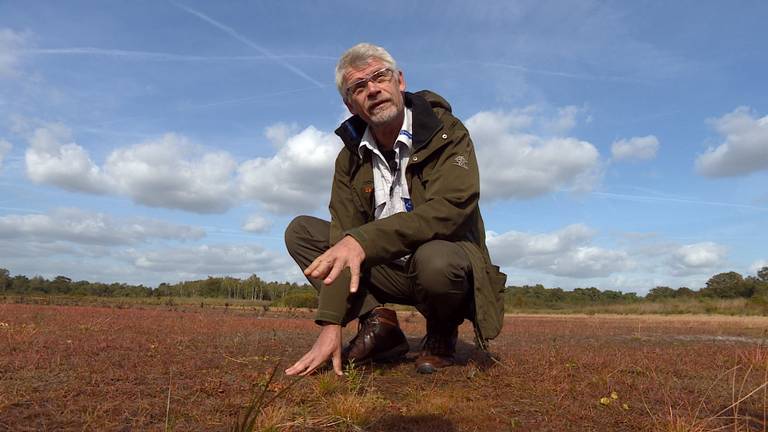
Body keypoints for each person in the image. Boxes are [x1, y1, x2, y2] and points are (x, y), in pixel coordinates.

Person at [284, 43, 506, 376]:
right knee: (302, 232)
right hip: (387, 269)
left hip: (439, 266)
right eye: (359, 87)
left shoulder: (448, 134)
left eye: (379, 77)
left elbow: (450, 209)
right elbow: (341, 237)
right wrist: (331, 323)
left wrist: (362, 241)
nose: (372, 90)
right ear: (350, 104)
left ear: (399, 81)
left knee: (436, 260)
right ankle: (379, 325)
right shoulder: (349, 157)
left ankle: (442, 333)